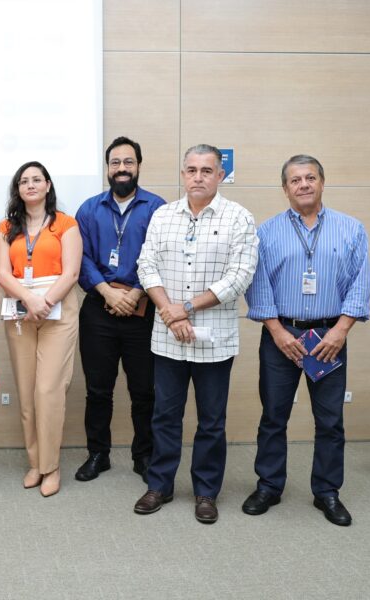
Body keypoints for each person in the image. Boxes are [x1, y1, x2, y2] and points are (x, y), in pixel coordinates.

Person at [242, 155, 370, 527]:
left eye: (310, 177)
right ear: (285, 189)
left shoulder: (351, 229)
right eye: (295, 180)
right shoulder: (266, 232)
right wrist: (278, 333)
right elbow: (258, 284)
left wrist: (341, 331)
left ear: (322, 183)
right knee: (273, 417)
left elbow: (361, 284)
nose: (303, 184)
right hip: (281, 336)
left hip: (329, 337)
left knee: (330, 420)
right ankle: (269, 486)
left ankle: (327, 492)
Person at [134, 144, 258, 524]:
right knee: (165, 416)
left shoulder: (239, 218)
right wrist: (171, 315)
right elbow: (146, 265)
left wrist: (185, 308)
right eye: (191, 170)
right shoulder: (163, 215)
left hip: (214, 340)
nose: (198, 177)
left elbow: (239, 278)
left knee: (211, 421)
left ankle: (206, 492)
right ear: (183, 174)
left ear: (220, 175)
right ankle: (160, 484)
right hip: (167, 337)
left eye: (207, 170)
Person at [74, 136, 165, 484]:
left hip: (144, 310)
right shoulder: (89, 209)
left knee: (144, 390)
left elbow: (162, 257)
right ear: (107, 168)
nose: (122, 168)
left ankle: (144, 455)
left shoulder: (158, 208)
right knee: (98, 389)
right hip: (99, 309)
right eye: (115, 162)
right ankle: (98, 454)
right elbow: (80, 257)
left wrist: (137, 292)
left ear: (139, 166)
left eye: (128, 162)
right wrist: (105, 292)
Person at [0, 161, 82, 498]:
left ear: (47, 185)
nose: (30, 185)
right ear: (18, 189)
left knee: (48, 390)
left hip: (57, 311)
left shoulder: (66, 223)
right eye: (23, 181)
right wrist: (29, 299)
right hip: (20, 309)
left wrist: (44, 302)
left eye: (36, 180)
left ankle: (52, 465)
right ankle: (35, 462)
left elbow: (71, 273)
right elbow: (3, 274)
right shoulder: (6, 227)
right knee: (28, 391)